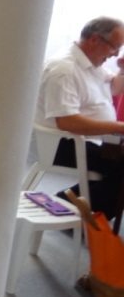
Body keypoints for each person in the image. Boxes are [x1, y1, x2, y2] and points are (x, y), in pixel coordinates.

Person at [35, 16, 124, 219]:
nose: (115, 54)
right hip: (63, 144)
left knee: (118, 171)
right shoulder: (64, 69)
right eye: (115, 47)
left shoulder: (91, 63)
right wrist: (119, 127)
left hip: (90, 140)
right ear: (94, 40)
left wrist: (122, 69)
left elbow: (116, 88)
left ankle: (70, 205)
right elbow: (68, 122)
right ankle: (77, 215)